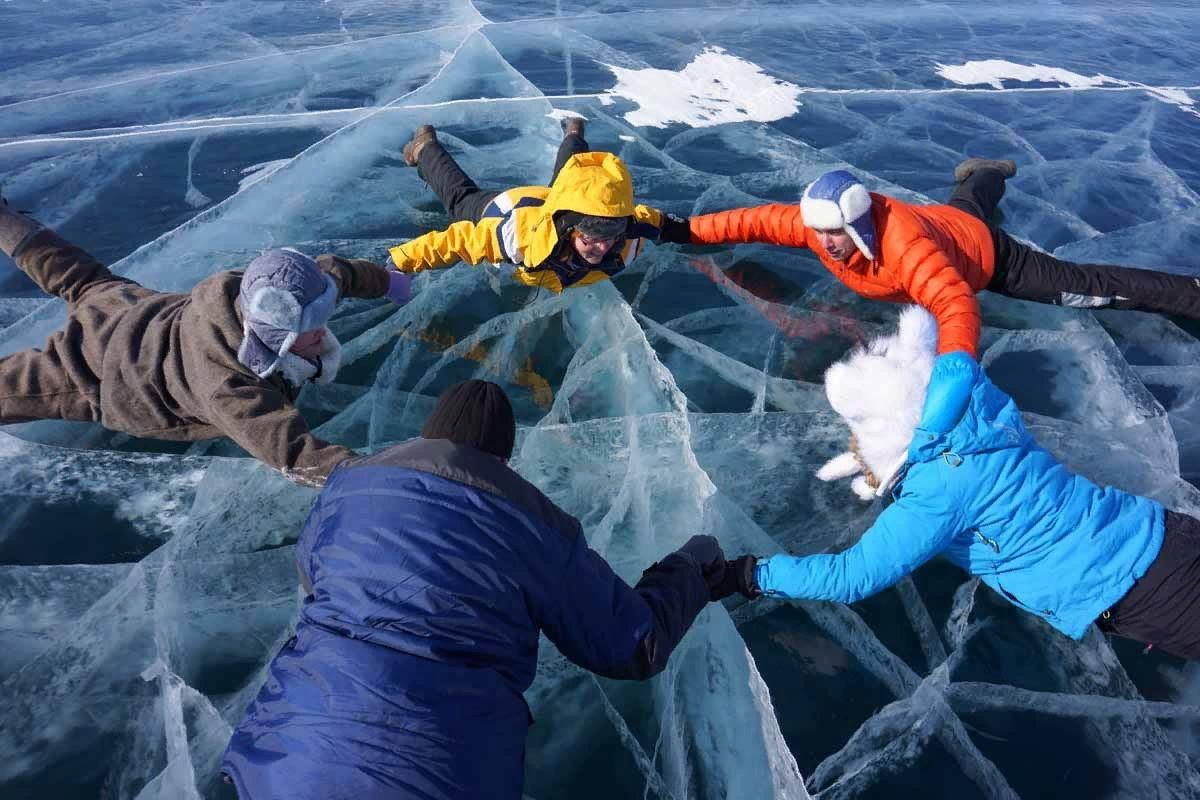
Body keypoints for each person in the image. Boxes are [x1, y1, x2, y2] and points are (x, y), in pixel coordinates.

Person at [222, 380, 729, 799]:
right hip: (436, 774)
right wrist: (691, 567)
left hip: (287, 755)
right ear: (503, 459)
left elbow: (312, 573)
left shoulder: (350, 485)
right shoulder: (538, 525)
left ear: (430, 435)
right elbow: (632, 645)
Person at [715, 306, 1199, 661]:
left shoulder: (936, 495)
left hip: (1146, 590)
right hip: (1164, 531)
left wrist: (749, 575)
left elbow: (851, 576)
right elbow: (948, 365)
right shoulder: (981, 408)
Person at [0, 194, 412, 486]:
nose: (322, 334)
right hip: (102, 371)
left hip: (129, 307)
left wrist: (389, 283)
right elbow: (295, 454)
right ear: (268, 343)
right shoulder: (228, 388)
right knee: (10, 389)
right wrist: (376, 482)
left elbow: (339, 274)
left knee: (75, 273)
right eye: (307, 334)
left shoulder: (283, 289)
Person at [686, 159, 1200, 358]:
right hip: (946, 221)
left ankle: (1188, 293)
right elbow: (751, 221)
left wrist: (956, 367)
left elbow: (955, 303)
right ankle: (986, 171)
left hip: (987, 257)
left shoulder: (905, 249)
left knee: (1086, 287)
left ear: (859, 225)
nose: (823, 243)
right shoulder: (819, 226)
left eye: (834, 234)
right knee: (971, 197)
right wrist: (681, 229)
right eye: (817, 233)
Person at [389, 118, 691, 293]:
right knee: (460, 202)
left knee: (567, 182)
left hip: (559, 203)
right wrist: (399, 264)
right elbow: (454, 242)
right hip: (510, 208)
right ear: (571, 229)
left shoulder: (627, 236)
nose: (601, 248)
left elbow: (661, 223)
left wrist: (701, 230)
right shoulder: (515, 236)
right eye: (591, 238)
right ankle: (425, 147)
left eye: (610, 236)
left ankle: (574, 133)